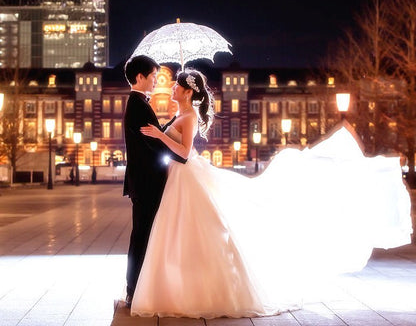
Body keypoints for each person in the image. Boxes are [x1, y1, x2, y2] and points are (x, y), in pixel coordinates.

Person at [131, 68, 413, 319]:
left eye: (177, 87)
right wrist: (163, 133)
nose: (172, 91)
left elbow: (183, 152)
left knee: (198, 230)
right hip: (179, 179)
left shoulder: (189, 116)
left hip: (187, 176)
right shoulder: (181, 114)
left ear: (188, 91)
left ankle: (203, 289)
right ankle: (179, 287)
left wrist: (160, 135)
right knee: (181, 233)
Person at [123, 55, 187, 307]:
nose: (155, 81)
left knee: (143, 234)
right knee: (142, 235)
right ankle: (134, 289)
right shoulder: (138, 104)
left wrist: (167, 129)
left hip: (143, 181)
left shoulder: (139, 103)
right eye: (152, 77)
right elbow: (153, 142)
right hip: (146, 182)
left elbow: (154, 136)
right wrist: (182, 155)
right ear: (139, 77)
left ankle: (135, 287)